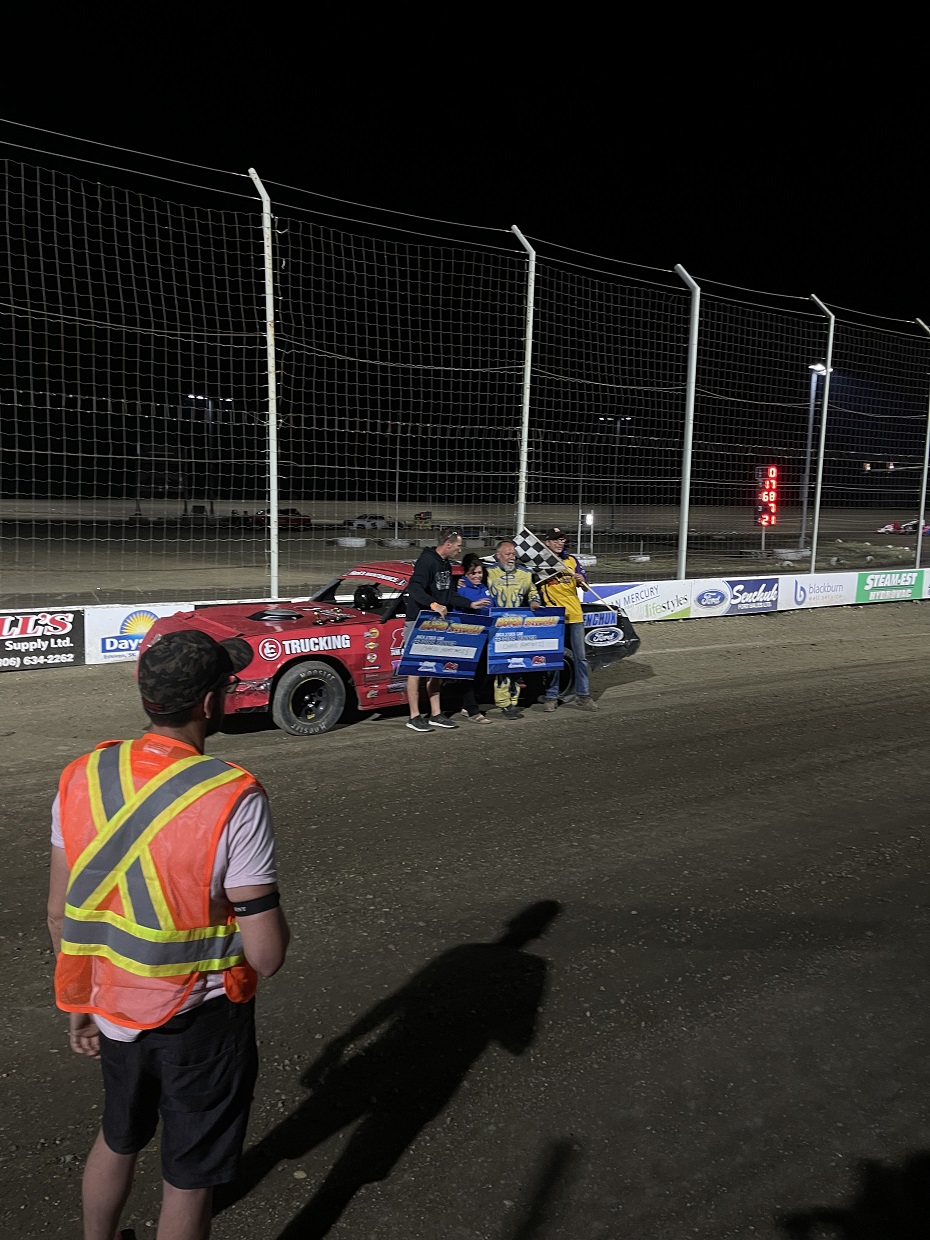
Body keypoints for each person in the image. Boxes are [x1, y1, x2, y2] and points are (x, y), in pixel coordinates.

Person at [46, 629, 290, 1240]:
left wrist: (81, 1003)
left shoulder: (83, 774)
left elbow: (59, 914)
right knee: (189, 1178)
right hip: (200, 1019)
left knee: (117, 1136)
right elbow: (268, 954)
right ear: (209, 703)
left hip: (111, 1007)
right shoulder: (233, 794)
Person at [400, 527, 464, 734]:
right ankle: (414, 716)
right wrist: (433, 605)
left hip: (436, 622)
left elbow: (448, 595)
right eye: (458, 546)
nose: (459, 550)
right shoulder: (427, 561)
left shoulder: (445, 564)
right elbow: (414, 588)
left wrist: (472, 604)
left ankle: (436, 714)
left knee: (435, 667)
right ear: (448, 544)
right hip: (419, 621)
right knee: (415, 669)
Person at [536, 526, 597, 713]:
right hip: (553, 617)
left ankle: (583, 695)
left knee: (581, 658)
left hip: (575, 614)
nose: (560, 542)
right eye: (556, 539)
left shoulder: (571, 560)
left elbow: (586, 586)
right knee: (554, 658)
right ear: (547, 542)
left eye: (562, 539)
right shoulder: (540, 563)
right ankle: (551, 696)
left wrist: (581, 579)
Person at [486, 539, 541, 720]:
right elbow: (475, 584)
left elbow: (533, 592)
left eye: (513, 554)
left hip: (518, 628)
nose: (511, 558)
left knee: (515, 665)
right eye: (508, 554)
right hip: (494, 628)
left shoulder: (525, 574)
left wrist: (534, 601)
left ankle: (511, 702)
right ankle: (503, 703)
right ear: (498, 556)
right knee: (500, 666)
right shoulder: (488, 572)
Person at [454, 553, 492, 723]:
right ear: (466, 574)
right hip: (467, 638)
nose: (477, 576)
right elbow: (456, 613)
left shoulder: (484, 587)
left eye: (479, 572)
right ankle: (472, 710)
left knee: (482, 674)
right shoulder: (460, 589)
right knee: (468, 674)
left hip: (485, 637)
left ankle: (466, 705)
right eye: (473, 573)